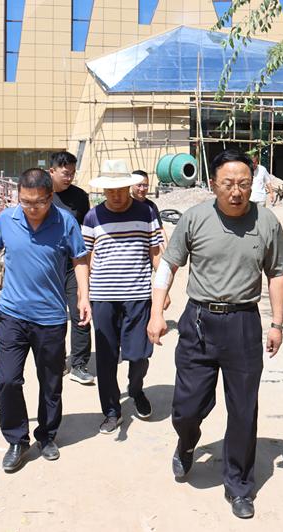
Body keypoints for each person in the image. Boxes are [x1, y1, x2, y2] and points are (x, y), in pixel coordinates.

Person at [146, 149, 283, 519]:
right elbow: (169, 265)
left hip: (243, 323)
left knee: (243, 409)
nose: (236, 191)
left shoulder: (266, 222)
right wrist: (156, 312)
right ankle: (187, 441)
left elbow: (276, 273)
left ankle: (239, 485)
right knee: (187, 407)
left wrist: (277, 324)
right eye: (228, 184)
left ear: (252, 184)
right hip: (198, 321)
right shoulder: (195, 218)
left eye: (243, 183)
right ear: (213, 184)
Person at [0, 168, 91, 473]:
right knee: (7, 379)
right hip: (12, 315)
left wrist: (84, 296)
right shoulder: (7, 219)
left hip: (50, 318)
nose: (32, 208)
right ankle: (17, 440)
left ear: (50, 197)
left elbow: (80, 259)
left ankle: (47, 435)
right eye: (25, 202)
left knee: (50, 382)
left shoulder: (65, 222)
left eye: (39, 202)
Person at [82, 160, 164, 435]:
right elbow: (85, 258)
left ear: (129, 187)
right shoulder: (92, 217)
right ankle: (111, 410)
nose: (115, 195)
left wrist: (162, 290)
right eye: (110, 190)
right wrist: (84, 295)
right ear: (103, 190)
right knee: (106, 358)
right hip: (103, 297)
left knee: (139, 354)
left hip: (138, 296)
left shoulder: (146, 212)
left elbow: (156, 253)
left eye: (120, 189)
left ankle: (136, 389)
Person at [48, 151, 94, 385]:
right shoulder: (41, 195)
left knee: (80, 314)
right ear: (52, 171)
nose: (69, 178)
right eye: (65, 173)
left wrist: (89, 264)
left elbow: (87, 232)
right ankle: (57, 361)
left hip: (74, 264)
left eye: (73, 174)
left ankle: (79, 364)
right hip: (48, 266)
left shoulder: (80, 197)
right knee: (53, 316)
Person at [130, 170, 169, 248]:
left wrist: (167, 250)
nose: (142, 189)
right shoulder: (125, 205)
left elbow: (160, 230)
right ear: (131, 185)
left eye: (145, 185)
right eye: (139, 185)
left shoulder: (151, 206)